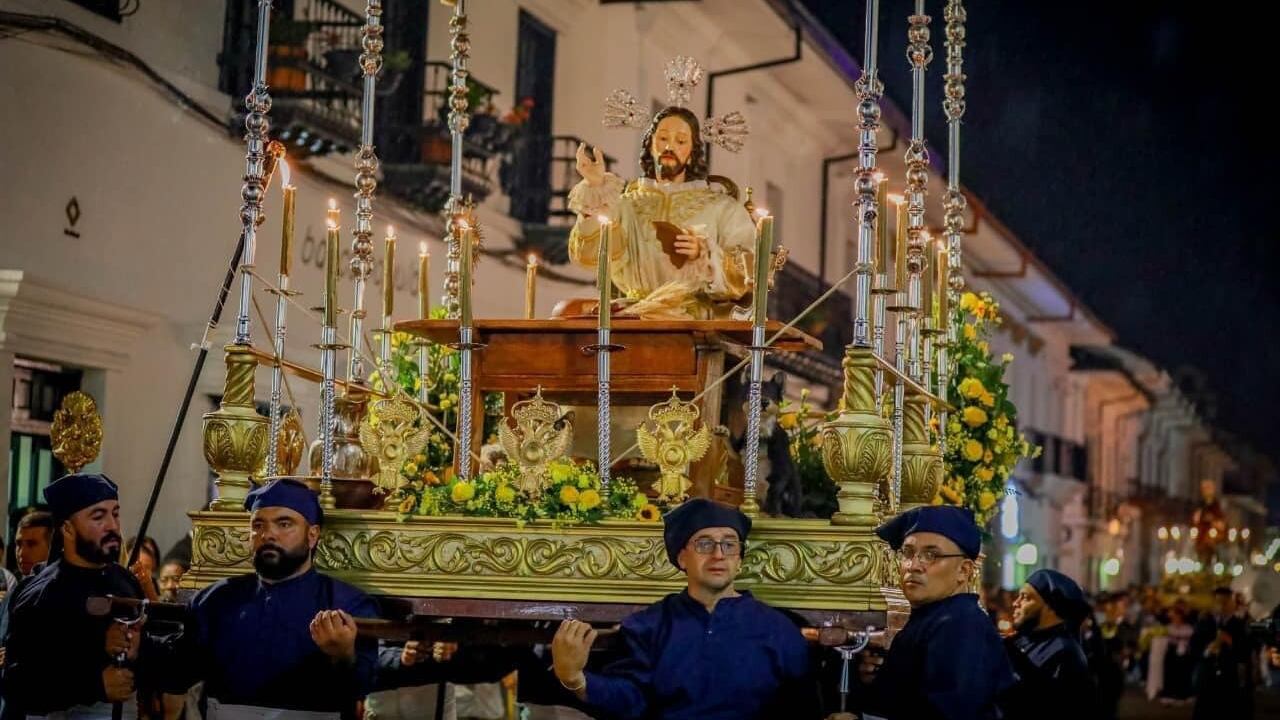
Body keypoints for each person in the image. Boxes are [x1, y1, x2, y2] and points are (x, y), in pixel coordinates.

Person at [549, 498, 811, 718]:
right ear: (681, 557)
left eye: (729, 544)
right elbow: (630, 699)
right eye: (704, 544)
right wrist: (574, 678)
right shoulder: (648, 625)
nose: (718, 554)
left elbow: (802, 706)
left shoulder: (778, 628)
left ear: (740, 560)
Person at [161, 478, 378, 718]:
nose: (268, 535)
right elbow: (176, 672)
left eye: (284, 524)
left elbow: (362, 687)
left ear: (313, 535)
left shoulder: (347, 604)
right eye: (258, 525)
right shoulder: (214, 601)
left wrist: (344, 656)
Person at [568, 103, 757, 320]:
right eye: (663, 138)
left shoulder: (722, 208)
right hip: (632, 318)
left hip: (692, 324)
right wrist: (595, 189)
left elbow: (746, 274)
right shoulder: (624, 205)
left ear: (692, 151)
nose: (670, 147)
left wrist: (705, 254)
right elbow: (589, 257)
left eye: (681, 141)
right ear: (650, 145)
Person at [2, 473, 147, 717]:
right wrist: (95, 682)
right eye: (98, 516)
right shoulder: (42, 595)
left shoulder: (126, 582)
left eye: (115, 513)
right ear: (67, 529)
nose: (112, 525)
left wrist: (139, 648)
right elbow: (19, 685)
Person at [855, 505, 1015, 720]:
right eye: (908, 553)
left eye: (931, 555)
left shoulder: (960, 625)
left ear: (963, 570)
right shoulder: (934, 616)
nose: (913, 566)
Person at [1001, 569, 1097, 719]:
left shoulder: (1066, 653)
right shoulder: (1021, 640)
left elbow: (1044, 703)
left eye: (1025, 597)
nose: (1015, 603)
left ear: (1051, 607)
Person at [1190, 586, 1254, 720]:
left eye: (1225, 602)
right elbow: (1194, 645)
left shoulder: (1240, 624)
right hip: (1207, 674)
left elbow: (1246, 651)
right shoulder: (1205, 622)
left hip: (1229, 676)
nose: (1222, 606)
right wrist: (1207, 650)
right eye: (1219, 602)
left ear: (1232, 603)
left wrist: (1231, 641)